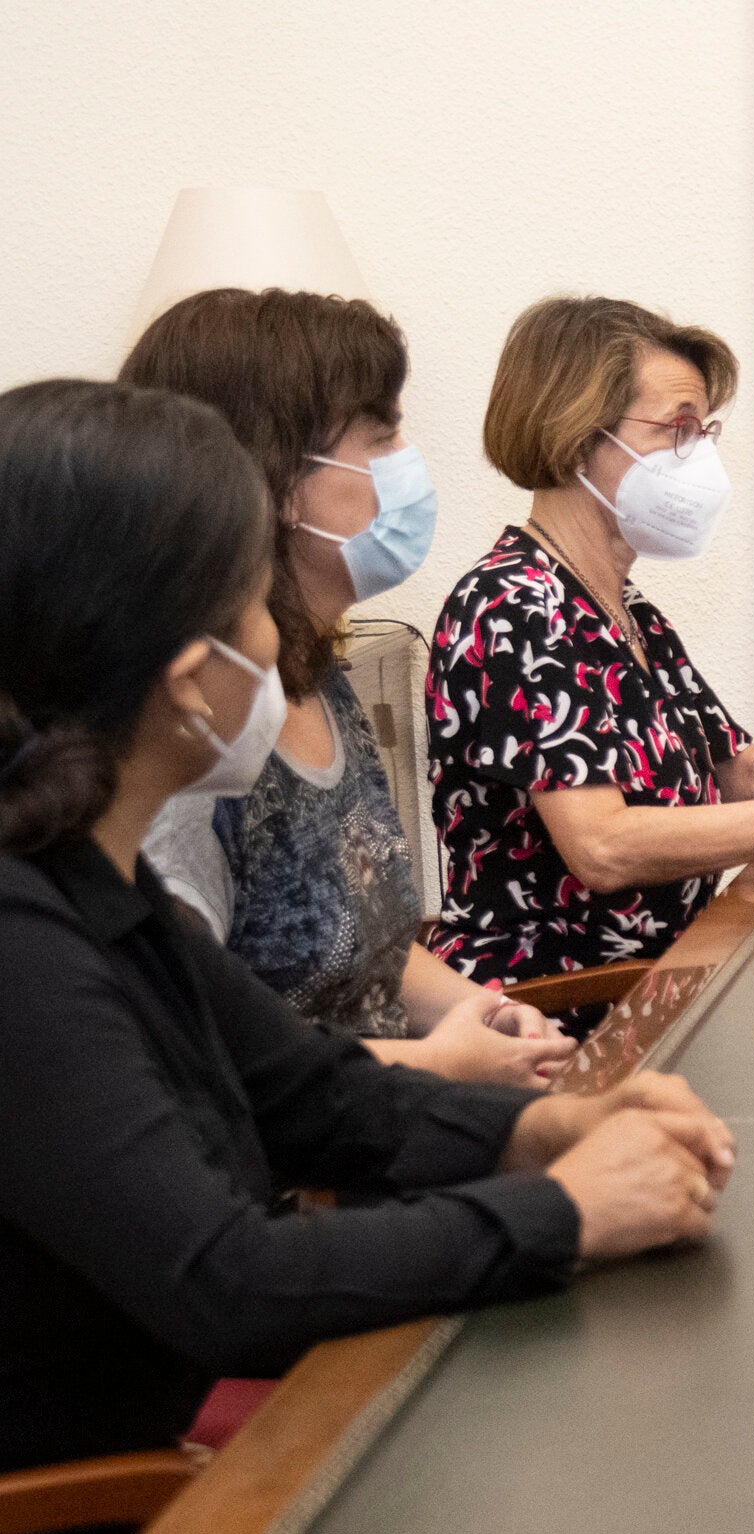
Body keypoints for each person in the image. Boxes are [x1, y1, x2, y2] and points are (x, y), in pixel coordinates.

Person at [0, 378, 734, 1534]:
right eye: (251, 599)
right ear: (185, 681)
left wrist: (556, 1122)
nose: (278, 635)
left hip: (141, 1491)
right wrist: (563, 1209)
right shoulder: (21, 934)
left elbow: (321, 1096)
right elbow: (225, 1278)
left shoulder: (86, 876)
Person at [122, 288, 570, 1088]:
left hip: (394, 1115)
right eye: (382, 433)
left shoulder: (323, 673)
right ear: (279, 478)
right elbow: (184, 1058)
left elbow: (377, 949)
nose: (407, 460)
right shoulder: (192, 732)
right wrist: (435, 1065)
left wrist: (488, 1012)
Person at [426, 297, 754, 985]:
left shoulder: (624, 608)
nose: (699, 459)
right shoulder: (512, 608)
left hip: (670, 969)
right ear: (578, 433)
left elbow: (738, 771)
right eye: (678, 430)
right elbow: (602, 846)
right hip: (556, 1004)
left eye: (705, 432)